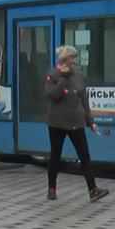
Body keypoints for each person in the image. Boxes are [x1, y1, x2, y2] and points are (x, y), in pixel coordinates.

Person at [44, 45, 109, 203]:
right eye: (72, 57)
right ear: (64, 59)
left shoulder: (79, 75)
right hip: (57, 122)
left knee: (84, 156)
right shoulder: (53, 74)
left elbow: (84, 99)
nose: (74, 61)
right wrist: (63, 80)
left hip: (76, 122)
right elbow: (53, 95)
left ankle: (93, 190)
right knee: (55, 156)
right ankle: (51, 189)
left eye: (74, 57)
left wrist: (90, 121)